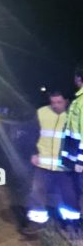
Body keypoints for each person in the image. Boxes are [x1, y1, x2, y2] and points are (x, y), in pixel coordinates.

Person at [24, 90, 77, 232]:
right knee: (37, 192)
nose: (55, 105)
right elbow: (31, 134)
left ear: (66, 101)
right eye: (52, 102)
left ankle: (71, 222)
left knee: (68, 195)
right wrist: (33, 153)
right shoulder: (41, 112)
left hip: (65, 165)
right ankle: (37, 221)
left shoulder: (74, 115)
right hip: (43, 162)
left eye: (59, 102)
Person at [60, 65, 83, 213]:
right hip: (73, 156)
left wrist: (80, 161)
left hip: (78, 158)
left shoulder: (81, 102)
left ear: (79, 78)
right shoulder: (77, 100)